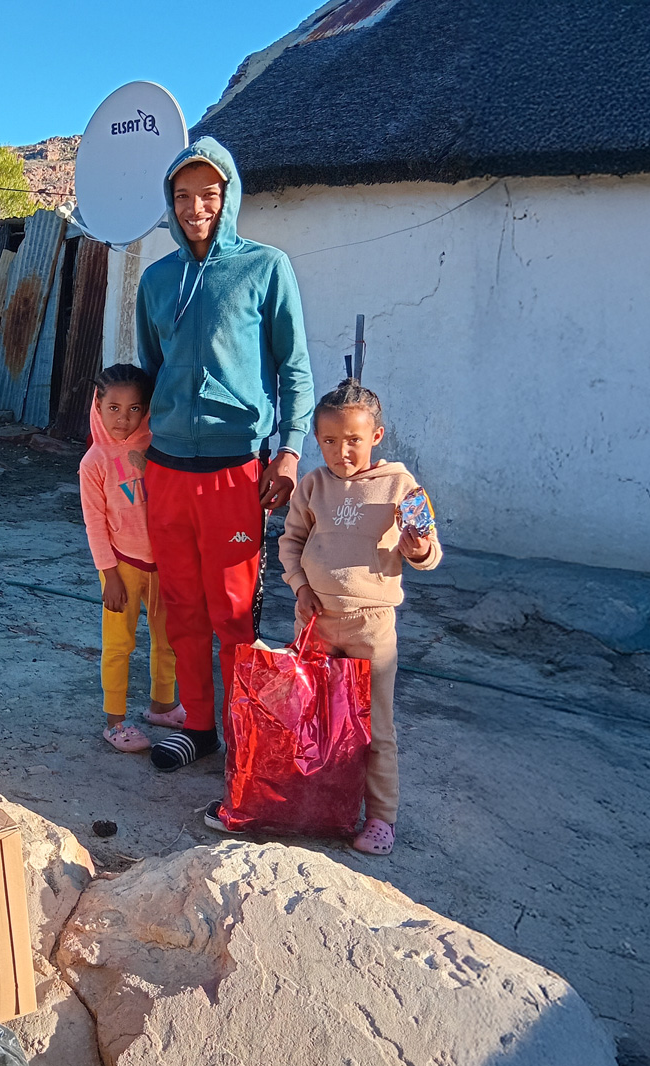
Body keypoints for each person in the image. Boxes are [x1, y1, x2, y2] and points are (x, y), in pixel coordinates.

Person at [134, 136, 315, 772]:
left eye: (208, 194)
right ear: (170, 201)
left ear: (229, 196)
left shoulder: (267, 267)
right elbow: (149, 372)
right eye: (183, 196)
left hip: (235, 468)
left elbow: (295, 369)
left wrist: (289, 451)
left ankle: (243, 734)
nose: (195, 208)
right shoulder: (157, 280)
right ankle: (198, 725)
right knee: (182, 606)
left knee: (235, 612)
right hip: (167, 470)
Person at [212, 378, 442, 854]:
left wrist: (417, 547)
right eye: (330, 441)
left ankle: (380, 818)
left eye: (354, 439)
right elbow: (291, 541)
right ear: (317, 440)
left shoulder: (401, 486)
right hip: (315, 621)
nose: (342, 452)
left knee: (374, 727)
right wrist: (300, 588)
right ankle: (310, 802)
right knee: (310, 719)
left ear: (376, 436)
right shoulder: (314, 485)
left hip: (370, 628)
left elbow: (428, 553)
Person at [78, 364, 183, 752]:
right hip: (122, 566)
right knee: (119, 645)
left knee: (168, 639)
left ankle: (162, 705)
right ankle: (115, 721)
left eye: (134, 409)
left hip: (164, 565)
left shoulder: (158, 446)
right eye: (114, 408)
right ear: (97, 405)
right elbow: (94, 524)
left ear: (147, 409)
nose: (123, 418)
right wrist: (109, 575)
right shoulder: (94, 462)